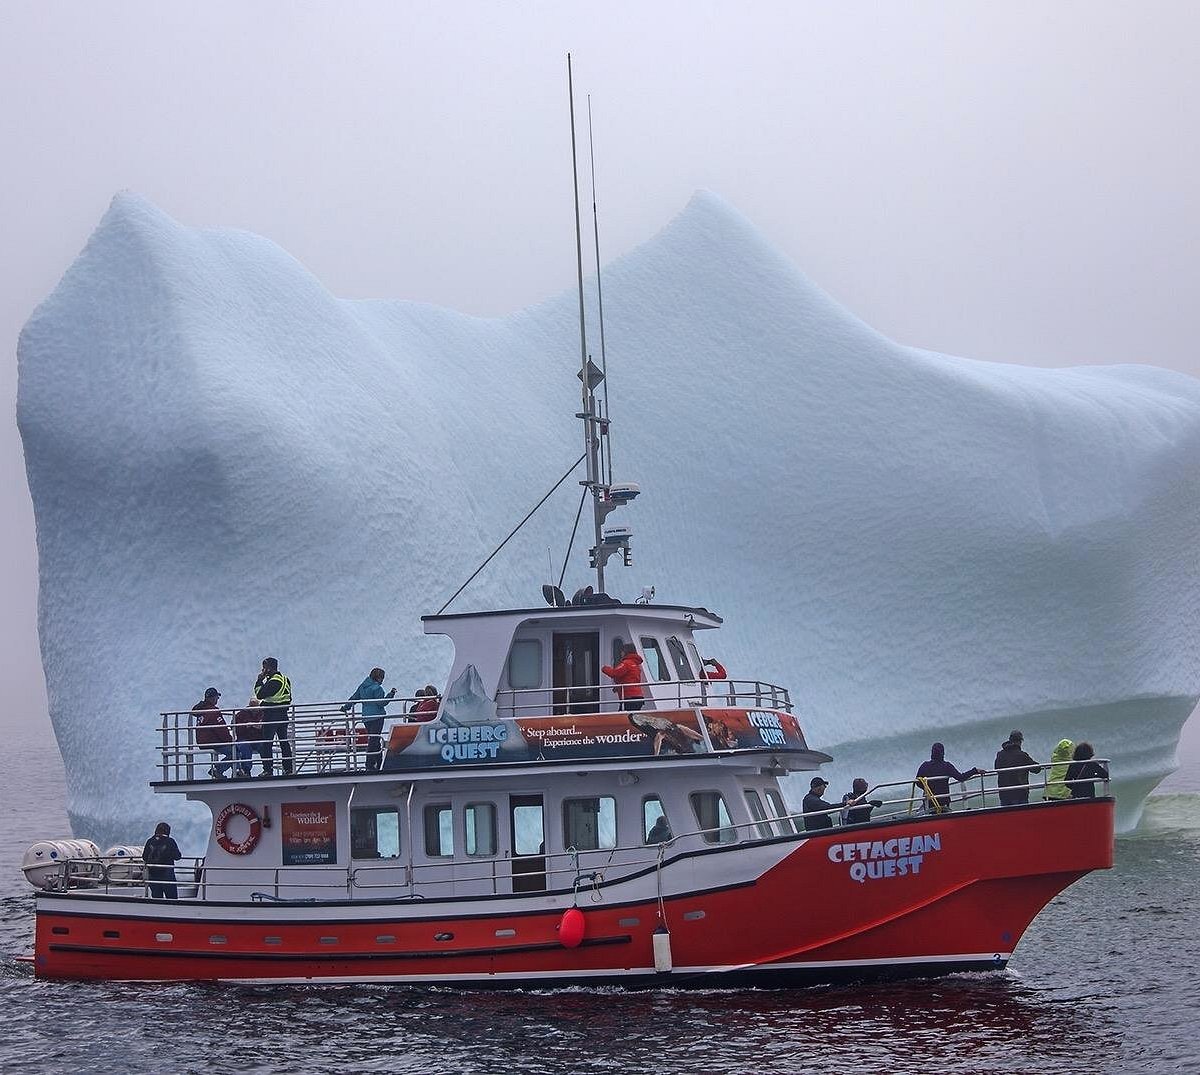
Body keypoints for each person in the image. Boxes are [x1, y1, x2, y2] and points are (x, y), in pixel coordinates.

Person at [341, 667, 397, 772]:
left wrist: (345, 707)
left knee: (375, 740)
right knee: (374, 740)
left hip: (366, 718)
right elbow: (382, 703)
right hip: (377, 717)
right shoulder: (377, 689)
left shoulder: (362, 686)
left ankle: (379, 764)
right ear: (378, 678)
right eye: (382, 678)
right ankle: (370, 764)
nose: (382, 680)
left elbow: (354, 698)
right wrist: (391, 694)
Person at [915, 743, 982, 813]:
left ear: (932, 753)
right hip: (943, 802)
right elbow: (961, 777)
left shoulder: (925, 766)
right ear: (943, 753)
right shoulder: (947, 766)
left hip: (929, 802)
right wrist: (975, 771)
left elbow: (918, 782)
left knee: (920, 811)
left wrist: (928, 789)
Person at [253, 657, 293, 776]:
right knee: (284, 742)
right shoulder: (285, 679)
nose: (262, 670)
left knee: (267, 743)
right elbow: (288, 698)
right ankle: (288, 769)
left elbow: (259, 694)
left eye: (264, 667)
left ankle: (268, 770)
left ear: (269, 668)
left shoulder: (274, 681)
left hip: (271, 715)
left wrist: (259, 680)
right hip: (283, 714)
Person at [192, 687, 233, 779]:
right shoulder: (213, 711)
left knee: (234, 751)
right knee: (235, 752)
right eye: (217, 697)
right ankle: (218, 770)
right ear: (213, 698)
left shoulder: (201, 710)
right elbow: (221, 730)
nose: (217, 699)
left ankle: (238, 771)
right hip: (212, 741)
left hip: (202, 742)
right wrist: (230, 740)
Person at [994, 730, 1042, 806]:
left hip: (1004, 794)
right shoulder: (1022, 755)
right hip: (1020, 794)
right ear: (1020, 742)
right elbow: (1036, 769)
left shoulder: (1000, 755)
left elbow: (997, 769)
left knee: (1007, 813)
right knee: (1022, 812)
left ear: (1010, 740)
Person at [142, 821, 182, 899]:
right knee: (172, 899)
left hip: (153, 874)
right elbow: (177, 856)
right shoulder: (170, 841)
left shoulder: (150, 841)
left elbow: (144, 857)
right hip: (167, 874)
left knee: (157, 898)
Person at [602, 643, 646, 711]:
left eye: (622, 651)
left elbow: (614, 673)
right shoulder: (635, 664)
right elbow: (629, 679)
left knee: (625, 715)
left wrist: (604, 668)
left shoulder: (626, 663)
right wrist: (618, 687)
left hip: (629, 697)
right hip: (637, 696)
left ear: (625, 651)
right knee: (630, 715)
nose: (621, 653)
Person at [232, 702, 263, 777]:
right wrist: (245, 726)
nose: (254, 710)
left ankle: (267, 769)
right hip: (244, 739)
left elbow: (268, 729)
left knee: (265, 746)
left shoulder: (263, 714)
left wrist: (261, 727)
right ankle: (246, 770)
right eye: (252, 707)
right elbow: (235, 727)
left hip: (258, 739)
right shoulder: (241, 714)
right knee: (245, 747)